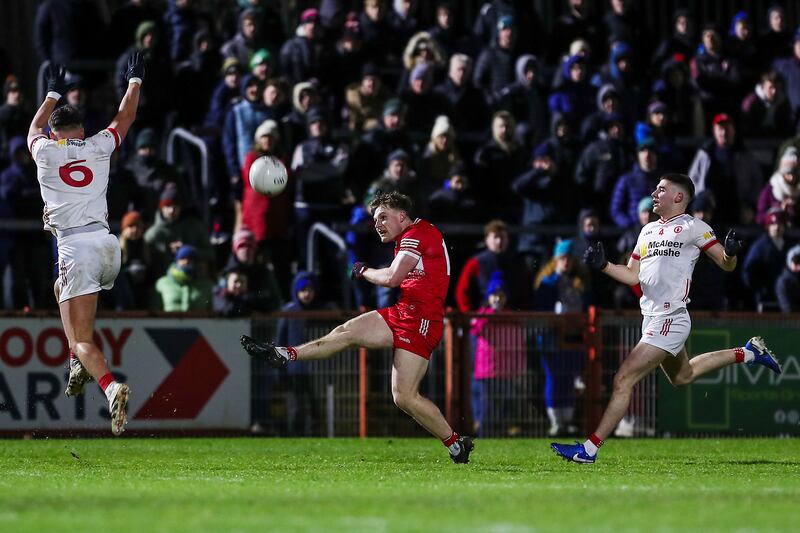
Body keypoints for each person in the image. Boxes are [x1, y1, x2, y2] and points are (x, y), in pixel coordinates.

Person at [551, 173, 782, 464]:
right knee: (683, 376)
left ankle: (589, 449)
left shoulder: (693, 226)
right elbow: (632, 273)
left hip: (671, 317)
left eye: (661, 189)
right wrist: (605, 266)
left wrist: (732, 254)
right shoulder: (646, 230)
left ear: (679, 197)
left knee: (623, 378)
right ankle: (748, 353)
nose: (655, 193)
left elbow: (726, 264)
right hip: (651, 318)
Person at [241, 191, 474, 464]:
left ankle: (455, 443)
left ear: (402, 216)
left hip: (421, 322)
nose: (378, 224)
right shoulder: (413, 235)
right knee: (346, 332)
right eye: (375, 219)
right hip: (404, 312)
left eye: (383, 217)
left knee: (404, 396)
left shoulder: (416, 233)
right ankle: (285, 354)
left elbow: (391, 277)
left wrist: (362, 271)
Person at [26, 55, 144, 435]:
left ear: (56, 135)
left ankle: (111, 387)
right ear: (81, 129)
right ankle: (77, 364)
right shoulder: (98, 146)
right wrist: (134, 82)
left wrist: (51, 94)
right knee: (58, 288)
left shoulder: (45, 152)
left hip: (76, 249)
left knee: (81, 339)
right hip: (109, 246)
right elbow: (124, 118)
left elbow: (33, 128)